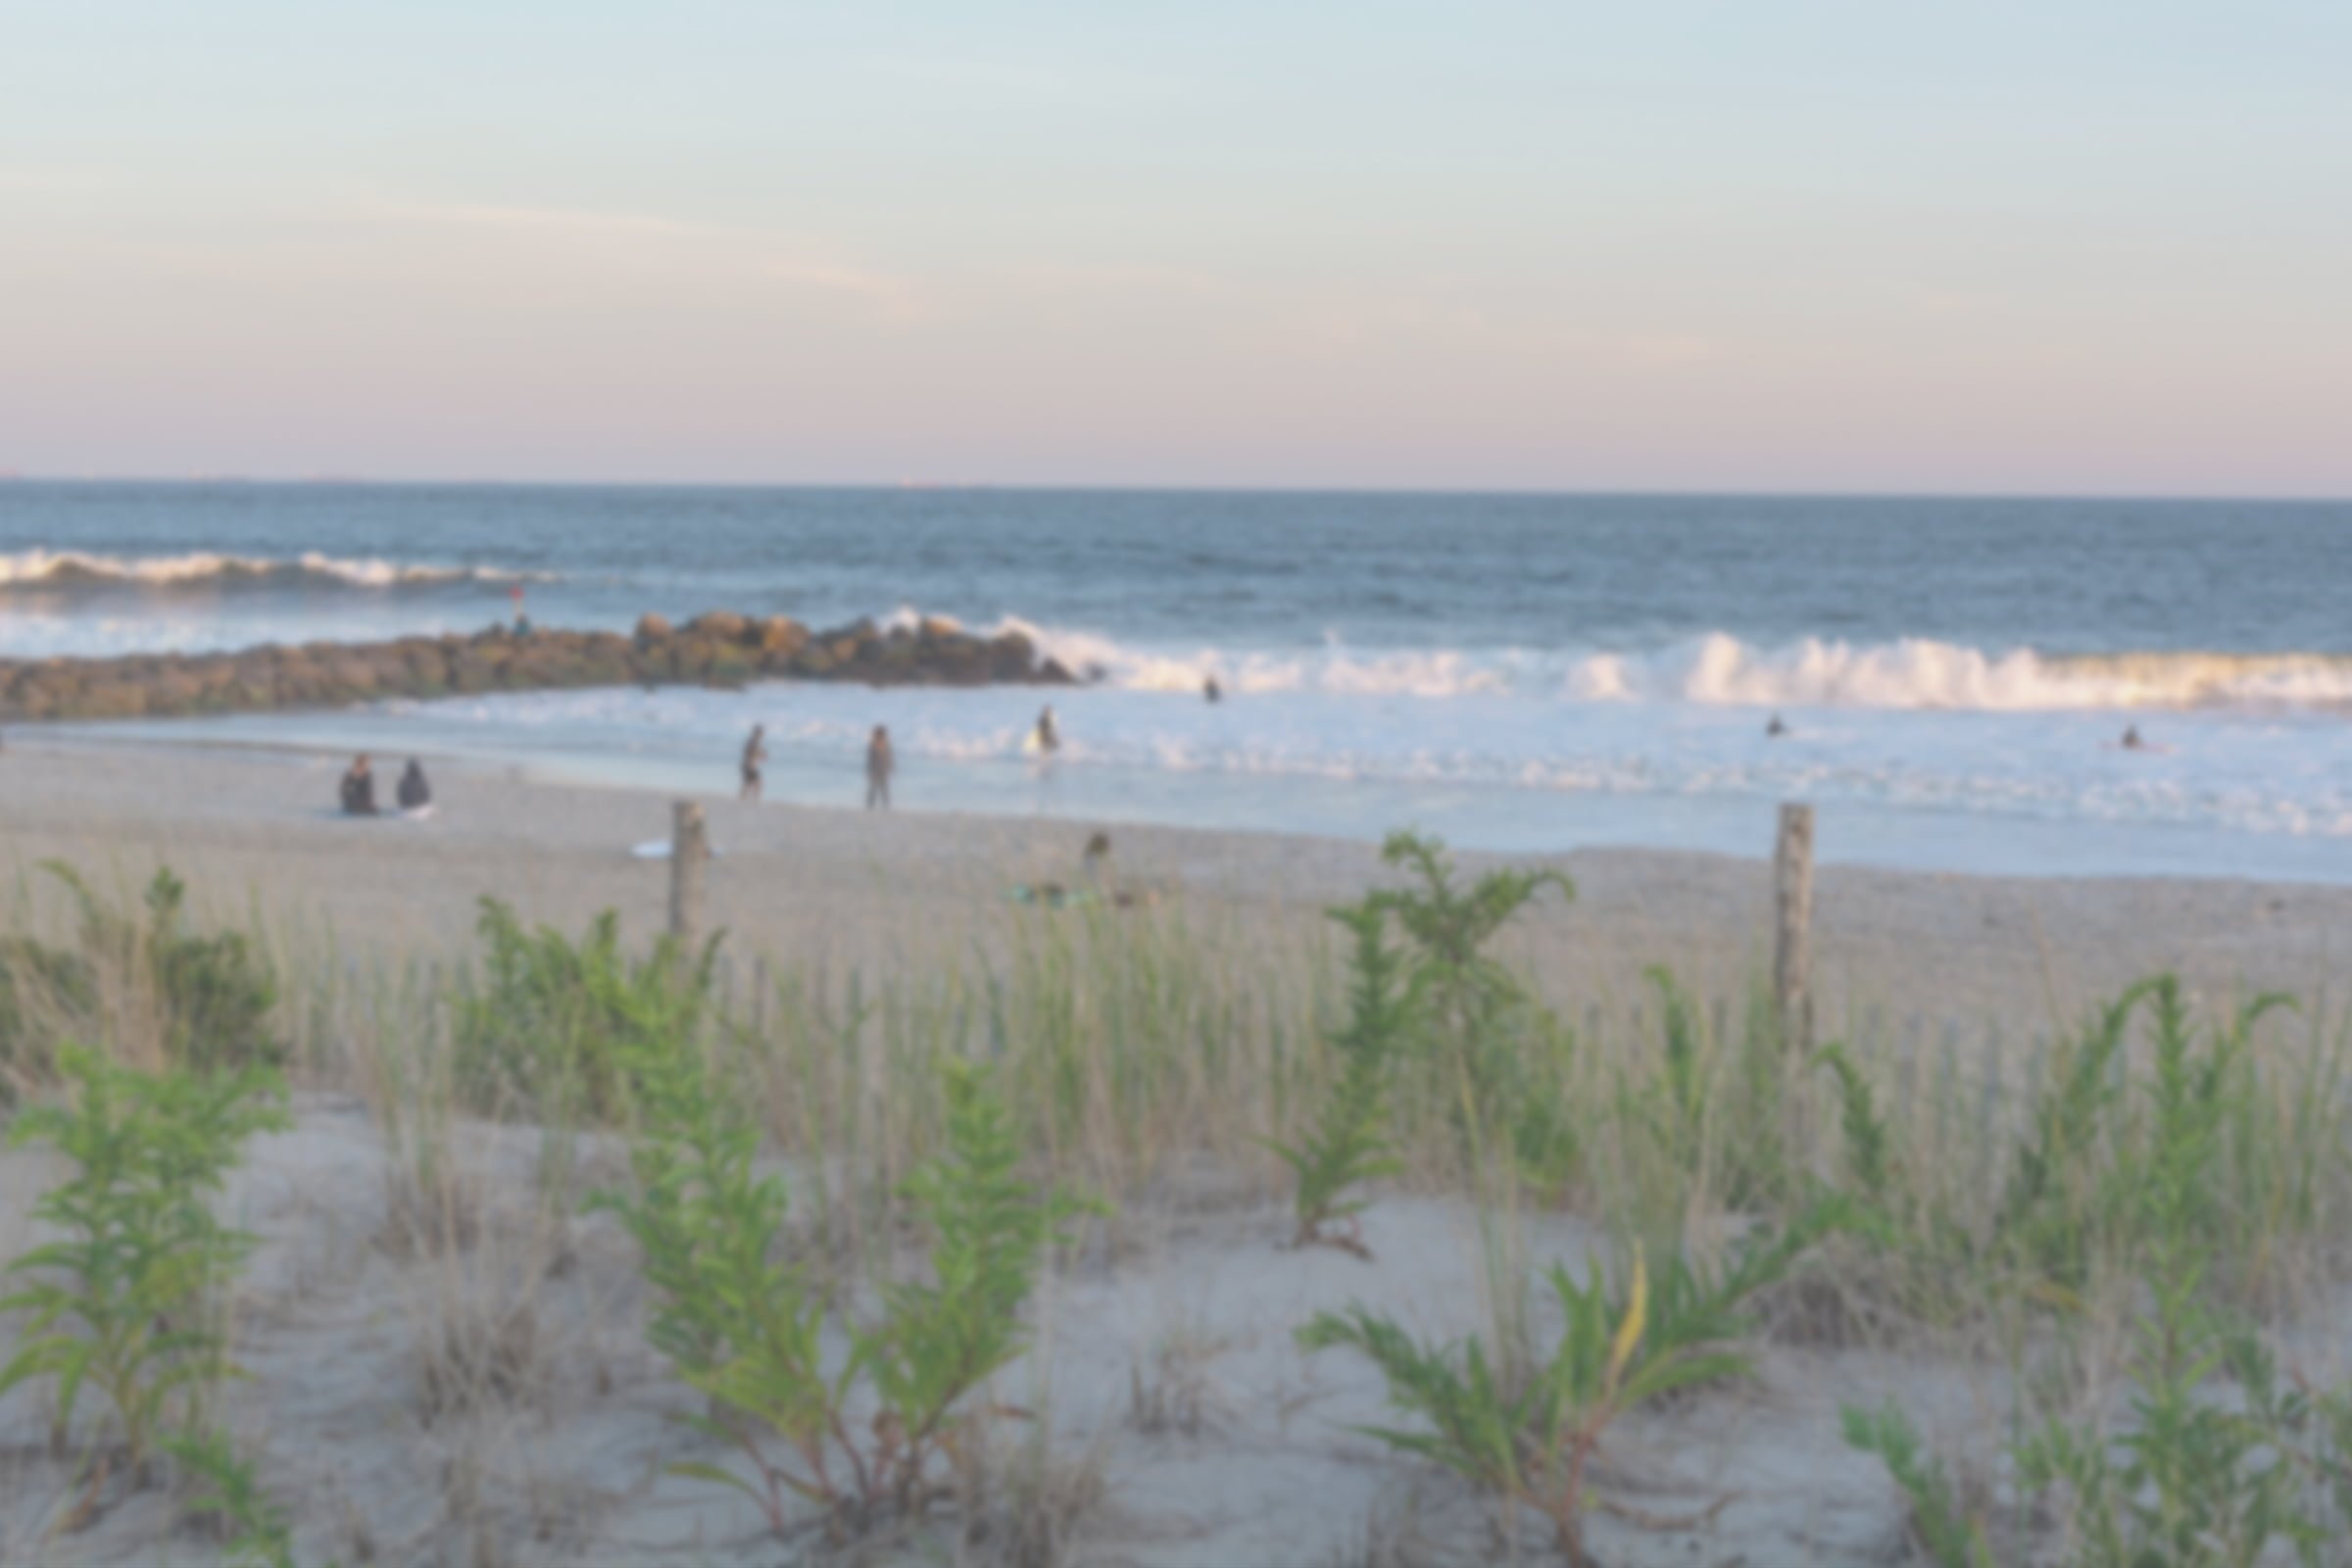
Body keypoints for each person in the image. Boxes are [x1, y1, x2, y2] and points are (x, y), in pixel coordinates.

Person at [865, 724, 894, 809]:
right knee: (873, 789)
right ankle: (870, 806)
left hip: (883, 771)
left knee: (884, 789)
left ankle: (886, 806)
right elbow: (870, 760)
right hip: (875, 770)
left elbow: (889, 757)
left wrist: (891, 767)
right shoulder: (873, 745)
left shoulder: (886, 744)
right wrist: (869, 770)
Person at [741, 724, 767, 802]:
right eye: (761, 733)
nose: (762, 735)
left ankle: (743, 800)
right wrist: (761, 755)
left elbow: (750, 753)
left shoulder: (753, 742)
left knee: (747, 784)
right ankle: (755, 801)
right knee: (757, 784)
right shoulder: (753, 742)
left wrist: (761, 755)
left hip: (748, 765)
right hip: (750, 766)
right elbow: (752, 754)